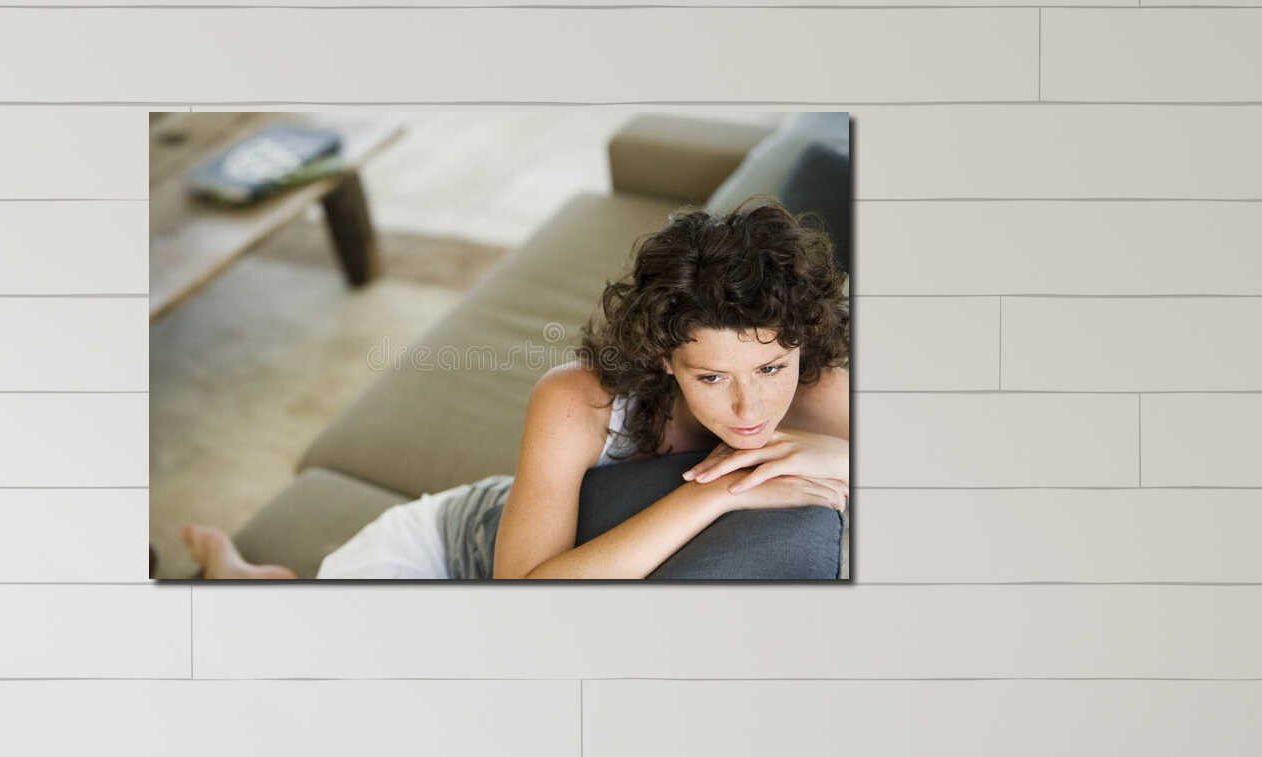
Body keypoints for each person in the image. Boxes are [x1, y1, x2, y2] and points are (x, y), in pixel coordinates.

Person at [178, 198, 849, 581]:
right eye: (710, 377)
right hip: (450, 550)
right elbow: (524, 596)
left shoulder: (817, 385)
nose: (750, 406)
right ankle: (236, 572)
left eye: (770, 369)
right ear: (662, 359)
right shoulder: (576, 400)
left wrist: (839, 457)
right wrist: (721, 491)